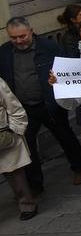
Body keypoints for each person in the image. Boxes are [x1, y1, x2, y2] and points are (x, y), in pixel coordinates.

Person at [0, 17, 81, 191]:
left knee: (65, 135)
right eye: (14, 38)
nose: (18, 41)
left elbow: (67, 69)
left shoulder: (50, 48)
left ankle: (79, 168)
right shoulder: (4, 52)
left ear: (31, 31)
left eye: (22, 36)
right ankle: (35, 185)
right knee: (28, 146)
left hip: (49, 103)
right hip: (23, 107)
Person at [0, 77, 37, 219]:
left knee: (15, 172)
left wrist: (15, 130)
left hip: (4, 135)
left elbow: (14, 107)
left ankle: (27, 204)